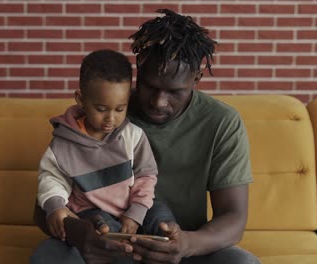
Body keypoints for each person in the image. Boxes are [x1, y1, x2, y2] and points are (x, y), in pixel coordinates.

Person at [31, 9, 260, 264]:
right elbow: (42, 210)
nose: (159, 102)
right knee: (47, 258)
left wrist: (186, 244)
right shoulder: (107, 108)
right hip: (102, 245)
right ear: (138, 66)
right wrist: (78, 234)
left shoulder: (221, 122)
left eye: (174, 91)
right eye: (150, 85)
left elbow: (234, 220)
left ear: (196, 78)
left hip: (180, 247)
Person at [36, 49, 175, 245]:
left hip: (131, 203)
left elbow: (146, 176)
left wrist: (135, 213)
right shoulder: (63, 143)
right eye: (101, 109)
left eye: (120, 109)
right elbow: (52, 178)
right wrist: (55, 206)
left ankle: (167, 238)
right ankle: (124, 248)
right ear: (81, 100)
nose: (111, 118)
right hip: (92, 210)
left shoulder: (133, 135)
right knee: (103, 228)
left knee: (159, 212)